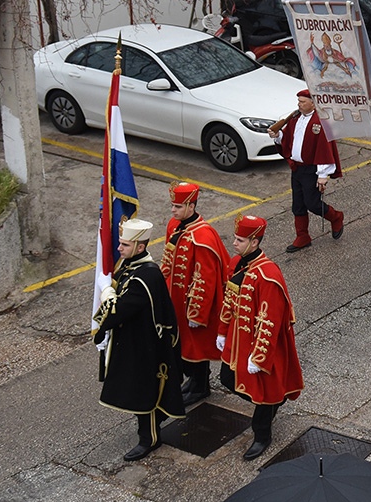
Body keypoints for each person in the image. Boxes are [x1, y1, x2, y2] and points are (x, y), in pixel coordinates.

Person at [94, 218, 186, 462]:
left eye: (124, 245)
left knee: (146, 393)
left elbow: (118, 309)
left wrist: (105, 290)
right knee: (139, 390)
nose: (119, 249)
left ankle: (150, 438)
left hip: (147, 347)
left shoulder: (145, 278)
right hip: (135, 341)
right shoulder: (131, 267)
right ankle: (147, 433)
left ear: (140, 247)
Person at [217, 214, 303, 460]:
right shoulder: (238, 263)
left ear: (254, 242)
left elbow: (270, 321)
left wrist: (259, 357)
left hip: (261, 345)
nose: (234, 243)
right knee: (227, 378)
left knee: (265, 392)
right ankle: (274, 404)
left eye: (240, 239)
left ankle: (262, 433)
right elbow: (229, 300)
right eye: (235, 238)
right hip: (238, 339)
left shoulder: (269, 275)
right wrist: (222, 332)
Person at [160, 182, 230, 406]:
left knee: (197, 346)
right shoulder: (174, 225)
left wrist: (197, 314)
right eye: (173, 205)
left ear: (191, 206)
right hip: (176, 300)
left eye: (178, 206)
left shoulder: (203, 237)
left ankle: (201, 386)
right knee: (184, 345)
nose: (173, 210)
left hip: (195, 305)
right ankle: (193, 381)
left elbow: (206, 280)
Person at [272, 89, 344, 252]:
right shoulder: (295, 119)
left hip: (312, 170)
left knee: (312, 203)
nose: (299, 104)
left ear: (313, 103)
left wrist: (323, 174)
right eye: (298, 102)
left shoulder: (321, 122)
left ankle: (336, 216)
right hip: (297, 169)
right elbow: (288, 139)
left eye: (302, 101)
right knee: (298, 204)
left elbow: (324, 149)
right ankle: (302, 236)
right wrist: (277, 136)